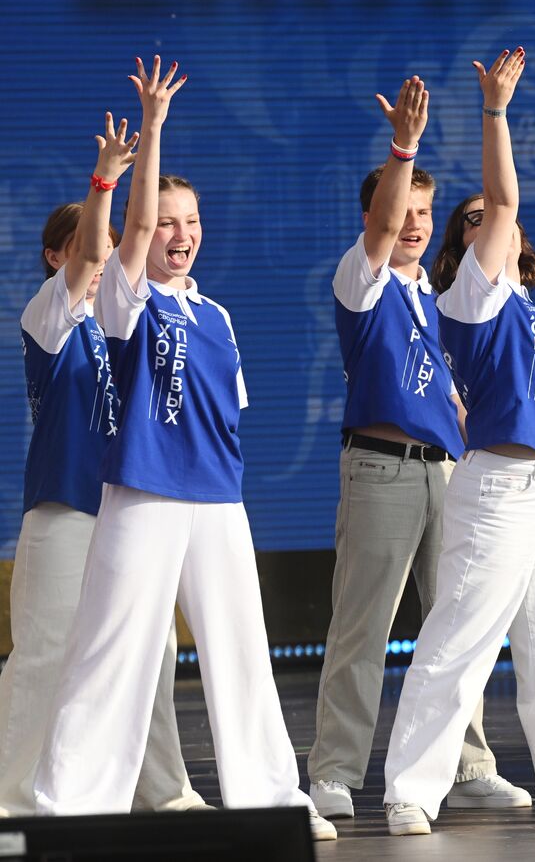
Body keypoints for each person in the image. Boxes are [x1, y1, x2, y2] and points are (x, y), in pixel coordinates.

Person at [30, 56, 335, 841]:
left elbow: (227, 416)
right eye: (169, 222)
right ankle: (73, 810)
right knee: (113, 651)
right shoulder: (128, 304)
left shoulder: (219, 318)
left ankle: (272, 799)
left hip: (218, 500)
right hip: (142, 494)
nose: (181, 234)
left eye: (191, 222)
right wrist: (152, 133)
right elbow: (124, 235)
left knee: (242, 653)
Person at [382, 47, 535, 836]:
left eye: (504, 224)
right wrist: (495, 112)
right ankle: (412, 789)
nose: (500, 224)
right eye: (481, 223)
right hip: (500, 487)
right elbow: (504, 195)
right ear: (468, 250)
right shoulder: (471, 301)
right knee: (459, 640)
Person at [310, 71, 526, 819]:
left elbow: (457, 399)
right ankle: (335, 771)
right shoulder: (359, 282)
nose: (414, 223)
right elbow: (376, 238)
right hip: (383, 470)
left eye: (427, 212)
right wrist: (403, 148)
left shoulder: (439, 306)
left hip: (450, 475)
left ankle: (467, 765)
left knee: (459, 627)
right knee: (363, 627)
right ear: (377, 211)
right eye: (403, 208)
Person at [0, 114, 206, 818]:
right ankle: (12, 800)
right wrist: (107, 182)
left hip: (127, 514)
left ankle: (164, 790)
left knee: (147, 658)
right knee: (45, 658)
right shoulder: (47, 319)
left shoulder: (130, 325)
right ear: (56, 257)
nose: (105, 257)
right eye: (89, 248)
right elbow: (96, 256)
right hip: (64, 513)